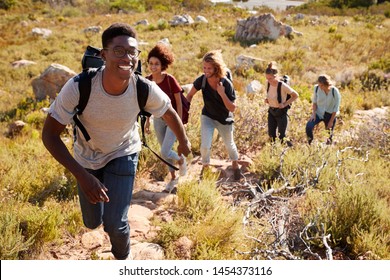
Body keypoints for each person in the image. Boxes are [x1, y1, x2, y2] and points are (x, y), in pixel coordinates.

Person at [41, 22, 191, 260]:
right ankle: (97, 212)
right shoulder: (80, 86)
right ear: (104, 55)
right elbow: (49, 135)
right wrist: (82, 175)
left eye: (132, 52)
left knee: (115, 224)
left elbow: (168, 111)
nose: (127, 58)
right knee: (92, 222)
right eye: (119, 51)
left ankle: (124, 262)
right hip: (87, 158)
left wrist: (183, 142)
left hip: (124, 152)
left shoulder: (142, 87)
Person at [186, 50, 241, 181]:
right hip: (208, 116)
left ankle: (235, 164)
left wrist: (222, 93)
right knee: (205, 145)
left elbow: (232, 108)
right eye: (204, 67)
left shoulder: (226, 83)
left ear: (216, 68)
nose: (206, 71)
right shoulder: (202, 80)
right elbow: (189, 95)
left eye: (209, 68)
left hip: (224, 119)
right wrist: (185, 109)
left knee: (230, 145)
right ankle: (205, 169)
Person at [146, 43, 187, 193]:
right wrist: (147, 121)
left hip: (172, 120)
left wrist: (180, 121)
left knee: (165, 151)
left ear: (163, 64)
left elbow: (178, 101)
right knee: (165, 152)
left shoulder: (170, 80)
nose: (153, 66)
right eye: (151, 63)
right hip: (157, 119)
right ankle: (173, 177)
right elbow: (148, 104)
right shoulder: (148, 81)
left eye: (156, 63)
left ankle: (181, 160)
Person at [264, 62, 299, 145]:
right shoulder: (268, 83)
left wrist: (285, 104)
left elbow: (295, 95)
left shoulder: (282, 85)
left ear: (275, 76)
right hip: (271, 112)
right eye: (267, 78)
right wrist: (267, 100)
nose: (269, 80)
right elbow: (271, 94)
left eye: (270, 78)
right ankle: (273, 153)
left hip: (281, 113)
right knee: (271, 135)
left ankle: (290, 150)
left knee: (282, 137)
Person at [306, 74, 341, 145]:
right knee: (309, 126)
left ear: (327, 84)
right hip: (319, 113)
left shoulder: (334, 91)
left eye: (321, 85)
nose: (320, 87)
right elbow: (314, 102)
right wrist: (313, 114)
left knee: (329, 134)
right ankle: (310, 143)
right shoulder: (316, 88)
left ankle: (328, 147)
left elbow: (336, 108)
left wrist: (331, 121)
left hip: (330, 115)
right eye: (319, 84)